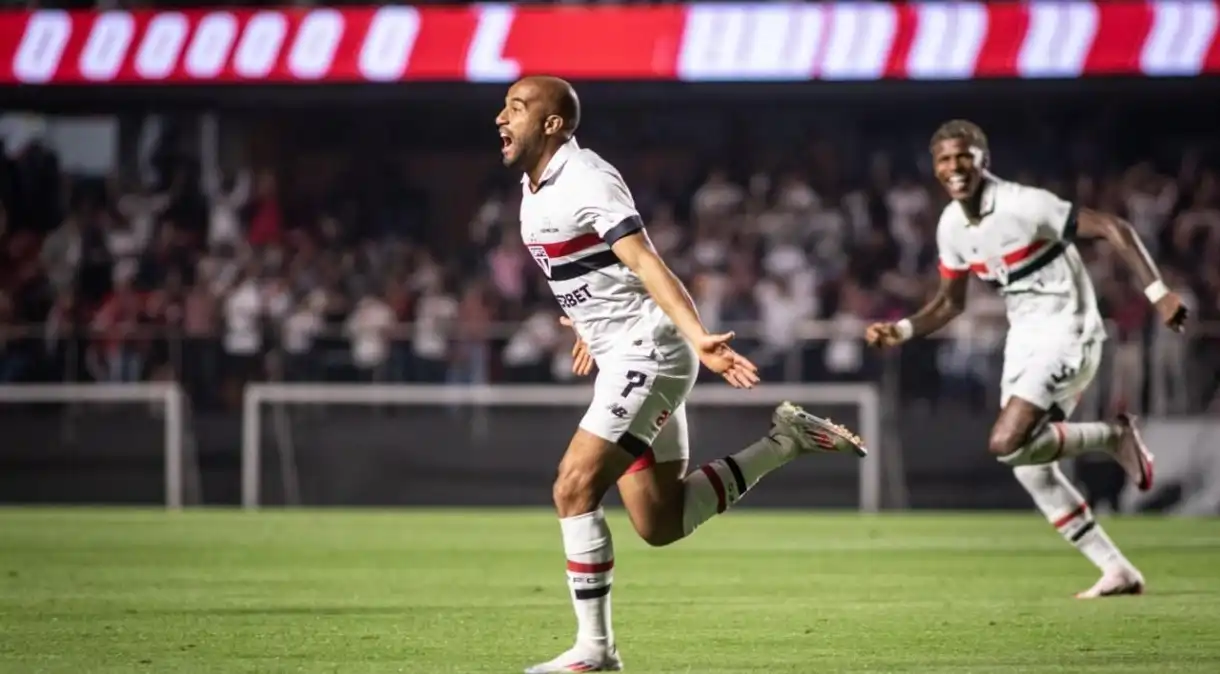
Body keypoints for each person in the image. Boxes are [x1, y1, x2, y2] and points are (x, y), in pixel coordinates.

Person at [498, 76, 868, 673]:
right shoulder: (532, 188)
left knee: (573, 487)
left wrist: (698, 335)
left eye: (516, 107)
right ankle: (787, 441)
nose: (501, 117)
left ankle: (596, 650)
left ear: (552, 124)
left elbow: (646, 261)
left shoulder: (587, 178)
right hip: (621, 351)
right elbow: (591, 270)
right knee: (660, 521)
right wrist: (587, 324)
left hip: (649, 352)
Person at [865, 120, 1190, 599]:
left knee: (1006, 441)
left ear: (984, 159)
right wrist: (903, 330)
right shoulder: (951, 226)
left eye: (964, 155)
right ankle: (1117, 570)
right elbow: (951, 302)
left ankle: (1113, 436)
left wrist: (1159, 294)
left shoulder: (1024, 204)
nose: (955, 166)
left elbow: (1113, 227)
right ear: (935, 169)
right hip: (1024, 338)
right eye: (945, 159)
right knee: (1028, 465)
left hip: (1069, 329)